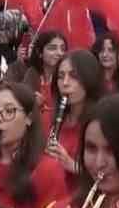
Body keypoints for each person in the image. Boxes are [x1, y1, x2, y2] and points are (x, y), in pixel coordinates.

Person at [45, 50, 105, 179]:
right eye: (61, 76)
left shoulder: (102, 122)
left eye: (74, 76)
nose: (65, 83)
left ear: (89, 78)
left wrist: (71, 164)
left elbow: (109, 175)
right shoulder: (51, 119)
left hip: (84, 194)